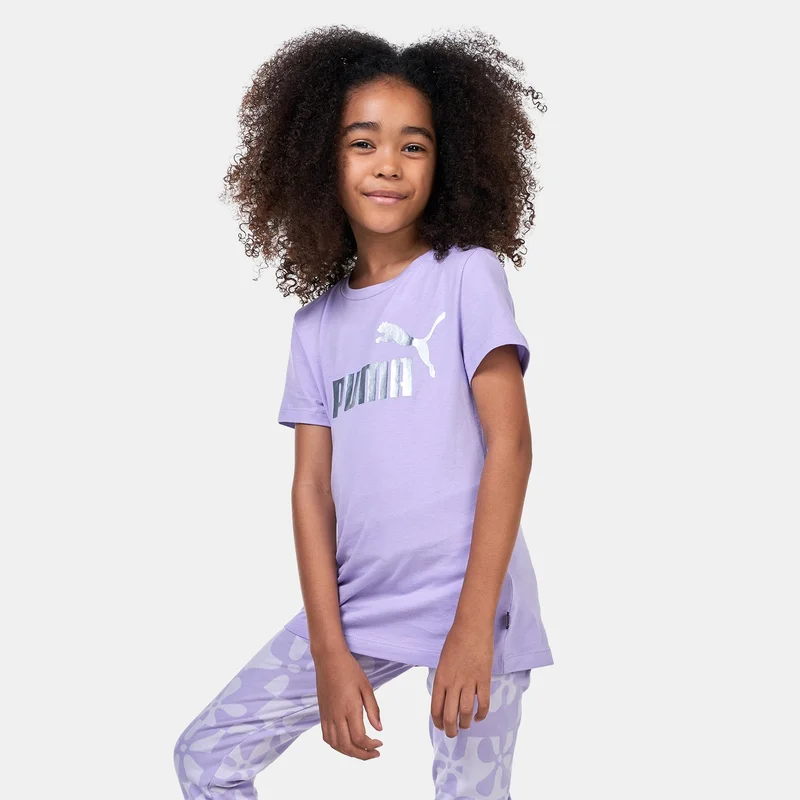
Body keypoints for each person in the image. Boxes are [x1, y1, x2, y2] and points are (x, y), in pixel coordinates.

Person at [174, 24, 553, 800]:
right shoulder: (315, 328)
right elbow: (312, 490)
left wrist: (471, 628)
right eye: (363, 143)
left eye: (414, 146)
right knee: (208, 756)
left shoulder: (466, 276)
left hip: (474, 604)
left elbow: (510, 446)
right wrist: (327, 651)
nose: (389, 164)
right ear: (322, 160)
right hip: (361, 605)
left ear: (446, 163)